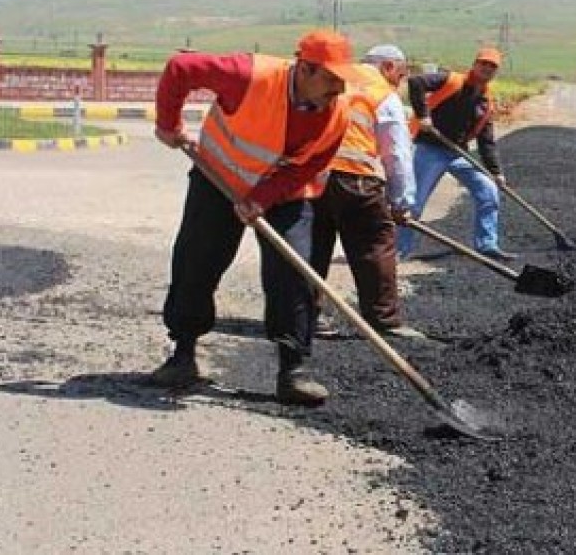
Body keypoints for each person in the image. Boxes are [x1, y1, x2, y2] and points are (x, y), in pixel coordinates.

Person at [149, 29, 375, 407]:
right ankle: (183, 354)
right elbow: (180, 67)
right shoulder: (247, 75)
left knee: (294, 269)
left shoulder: (339, 111)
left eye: (342, 81)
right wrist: (167, 124)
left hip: (283, 193)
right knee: (196, 261)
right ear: (305, 68)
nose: (338, 90)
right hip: (217, 179)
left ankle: (293, 370)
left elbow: (314, 162)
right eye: (331, 80)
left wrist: (262, 197)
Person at [308, 44, 418, 337]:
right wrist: (401, 201)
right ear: (389, 67)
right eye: (401, 74)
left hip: (312, 175)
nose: (400, 81)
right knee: (375, 246)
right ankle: (383, 321)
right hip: (355, 178)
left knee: (313, 246)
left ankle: (305, 317)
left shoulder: (336, 80)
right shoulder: (383, 93)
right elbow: (397, 152)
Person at [396, 46, 515, 261]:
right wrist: (423, 116)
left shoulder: (485, 102)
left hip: (458, 153)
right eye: (484, 64)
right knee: (415, 202)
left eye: (492, 66)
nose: (487, 69)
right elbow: (416, 82)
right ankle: (398, 250)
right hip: (430, 149)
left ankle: (487, 245)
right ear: (475, 64)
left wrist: (496, 172)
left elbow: (486, 140)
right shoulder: (451, 80)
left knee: (488, 192)